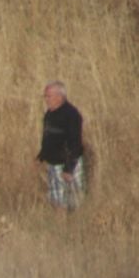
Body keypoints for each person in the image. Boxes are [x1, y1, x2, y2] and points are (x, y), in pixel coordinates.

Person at [37, 81, 85, 211]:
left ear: (59, 97)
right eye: (45, 96)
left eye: (49, 96)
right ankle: (60, 228)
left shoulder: (71, 115)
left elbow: (75, 143)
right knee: (56, 200)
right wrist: (42, 157)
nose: (46, 99)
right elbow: (48, 137)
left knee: (72, 201)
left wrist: (68, 169)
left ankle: (71, 227)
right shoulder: (50, 114)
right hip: (53, 163)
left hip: (67, 163)